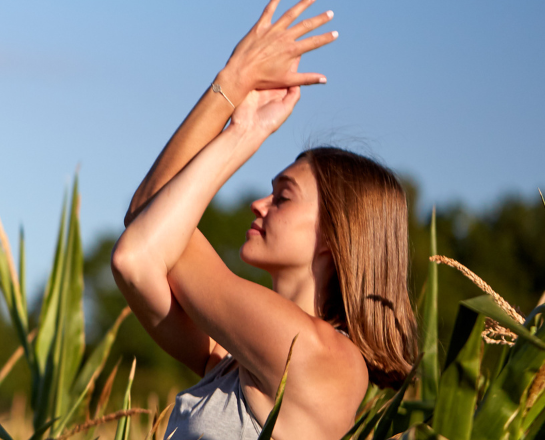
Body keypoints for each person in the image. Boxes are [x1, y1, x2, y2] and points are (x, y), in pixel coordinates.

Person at [109, 0, 420, 438]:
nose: (259, 203)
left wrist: (236, 102)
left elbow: (140, 246)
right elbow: (148, 215)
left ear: (335, 235)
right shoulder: (232, 357)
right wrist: (235, 108)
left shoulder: (325, 359)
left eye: (283, 197)